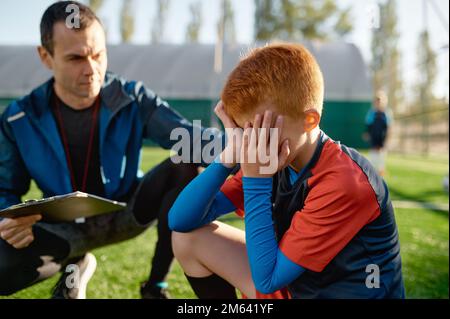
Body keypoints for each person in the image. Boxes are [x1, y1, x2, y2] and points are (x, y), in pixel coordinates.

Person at [0, 1, 222, 299]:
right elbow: (5, 188)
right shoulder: (20, 117)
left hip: (127, 212)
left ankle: (155, 286)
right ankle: (74, 266)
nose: (91, 69)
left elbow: (189, 139)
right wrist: (8, 220)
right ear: (46, 57)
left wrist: (249, 147)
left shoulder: (131, 97)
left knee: (183, 166)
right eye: (76, 58)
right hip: (62, 227)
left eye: (98, 54)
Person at [168, 43, 405, 299]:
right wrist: (227, 157)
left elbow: (268, 280)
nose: (253, 143)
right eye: (246, 132)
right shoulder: (276, 153)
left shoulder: (345, 181)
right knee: (187, 239)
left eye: (262, 129)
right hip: (298, 288)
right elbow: (180, 221)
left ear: (309, 120)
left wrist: (255, 182)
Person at [364, 90, 392, 176]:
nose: (378, 102)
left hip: (382, 136)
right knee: (373, 152)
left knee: (381, 153)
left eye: (380, 100)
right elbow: (368, 124)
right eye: (377, 100)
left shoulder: (386, 113)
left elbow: (389, 126)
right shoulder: (372, 112)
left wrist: (388, 137)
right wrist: (367, 133)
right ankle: (372, 169)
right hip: (373, 135)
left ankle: (381, 170)